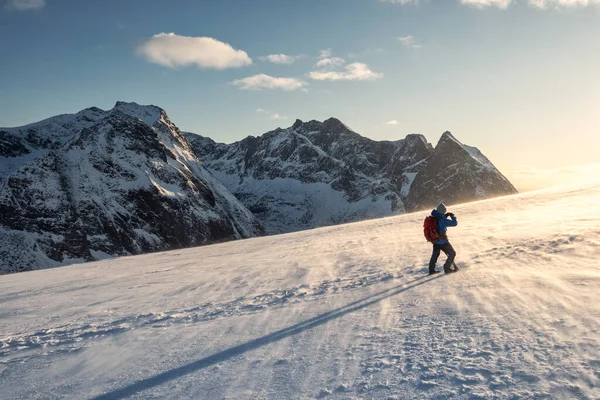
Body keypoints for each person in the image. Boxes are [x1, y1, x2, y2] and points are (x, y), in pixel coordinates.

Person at [429, 203, 458, 275]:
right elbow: (454, 223)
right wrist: (452, 216)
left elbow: (438, 223)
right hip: (443, 242)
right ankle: (447, 267)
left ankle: (431, 270)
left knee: (434, 256)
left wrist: (444, 216)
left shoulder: (433, 216)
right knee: (452, 253)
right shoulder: (442, 219)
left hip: (435, 241)